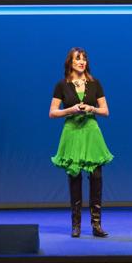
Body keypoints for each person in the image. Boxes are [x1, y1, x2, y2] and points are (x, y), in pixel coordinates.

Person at [50, 47, 114, 237]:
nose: (82, 61)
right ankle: (76, 225)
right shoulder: (61, 85)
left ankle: (96, 225)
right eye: (78, 58)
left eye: (84, 59)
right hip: (72, 132)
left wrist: (91, 108)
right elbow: (52, 112)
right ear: (70, 62)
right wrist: (70, 110)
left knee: (96, 177)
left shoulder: (95, 84)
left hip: (90, 132)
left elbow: (105, 111)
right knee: (74, 177)